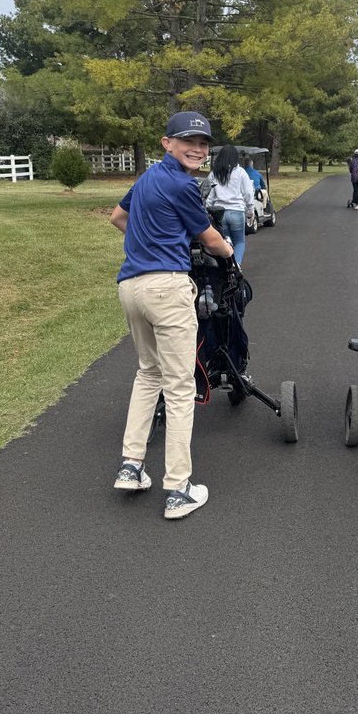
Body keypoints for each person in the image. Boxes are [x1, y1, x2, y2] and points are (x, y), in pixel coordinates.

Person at [109, 111, 236, 521]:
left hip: (131, 287)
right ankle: (179, 489)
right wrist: (231, 253)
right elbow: (210, 239)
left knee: (148, 373)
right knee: (180, 388)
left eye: (203, 144)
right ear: (167, 143)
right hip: (166, 288)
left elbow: (118, 218)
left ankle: (131, 466)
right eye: (188, 142)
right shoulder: (183, 185)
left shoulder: (147, 178)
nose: (197, 149)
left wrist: (147, 243)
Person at [205, 144, 256, 263]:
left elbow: (209, 195)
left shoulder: (214, 173)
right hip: (237, 211)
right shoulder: (240, 172)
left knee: (226, 242)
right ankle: (236, 265)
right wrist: (250, 210)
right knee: (239, 242)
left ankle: (228, 266)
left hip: (219, 213)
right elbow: (248, 193)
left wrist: (208, 210)